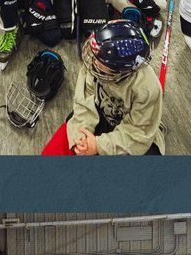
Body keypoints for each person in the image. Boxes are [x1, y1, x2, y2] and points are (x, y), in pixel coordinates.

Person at [43, 18, 164, 156]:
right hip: (99, 114)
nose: (93, 60)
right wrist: (82, 137)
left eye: (100, 62)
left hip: (134, 130)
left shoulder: (147, 88)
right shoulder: (95, 61)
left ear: (120, 70)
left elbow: (138, 134)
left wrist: (99, 146)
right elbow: (83, 104)